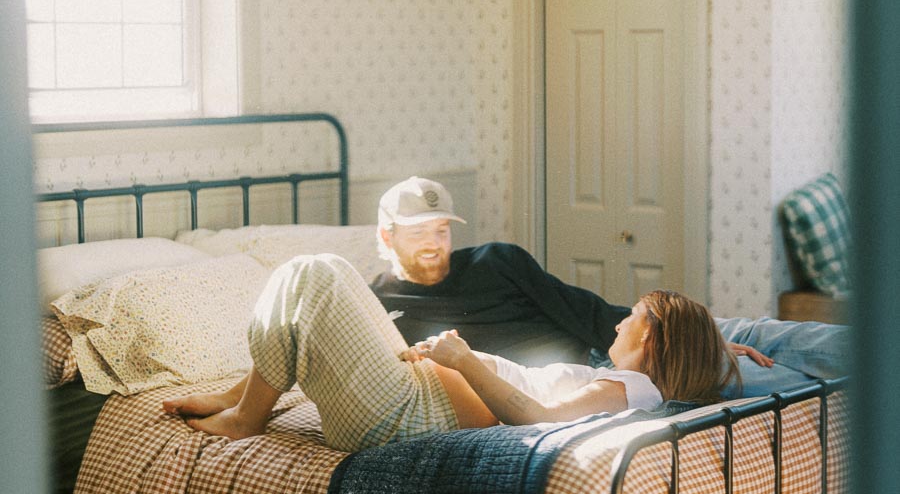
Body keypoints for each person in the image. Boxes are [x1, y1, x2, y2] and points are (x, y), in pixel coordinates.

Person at [162, 251, 737, 453]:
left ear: (653, 339)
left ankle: (245, 414)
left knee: (315, 273)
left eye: (631, 316)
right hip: (411, 400)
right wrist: (720, 345)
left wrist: (462, 361)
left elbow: (537, 418)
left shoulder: (630, 388)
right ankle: (242, 397)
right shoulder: (633, 386)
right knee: (319, 275)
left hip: (407, 416)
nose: (619, 320)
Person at [369, 175, 771, 372]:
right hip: (586, 377)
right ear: (388, 237)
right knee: (762, 376)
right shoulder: (379, 305)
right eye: (418, 231)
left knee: (764, 336)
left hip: (615, 345)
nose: (434, 243)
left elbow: (581, 308)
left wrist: (685, 336)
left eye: (441, 230)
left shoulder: (496, 261)